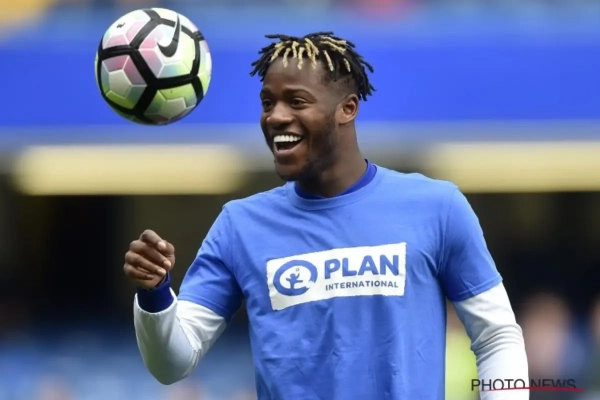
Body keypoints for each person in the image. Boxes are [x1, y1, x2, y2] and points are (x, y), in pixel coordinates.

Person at [125, 32, 529, 399]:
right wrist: (156, 292)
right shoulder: (239, 226)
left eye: (296, 101)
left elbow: (497, 338)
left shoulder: (437, 207)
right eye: (267, 103)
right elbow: (172, 363)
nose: (275, 117)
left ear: (347, 109)